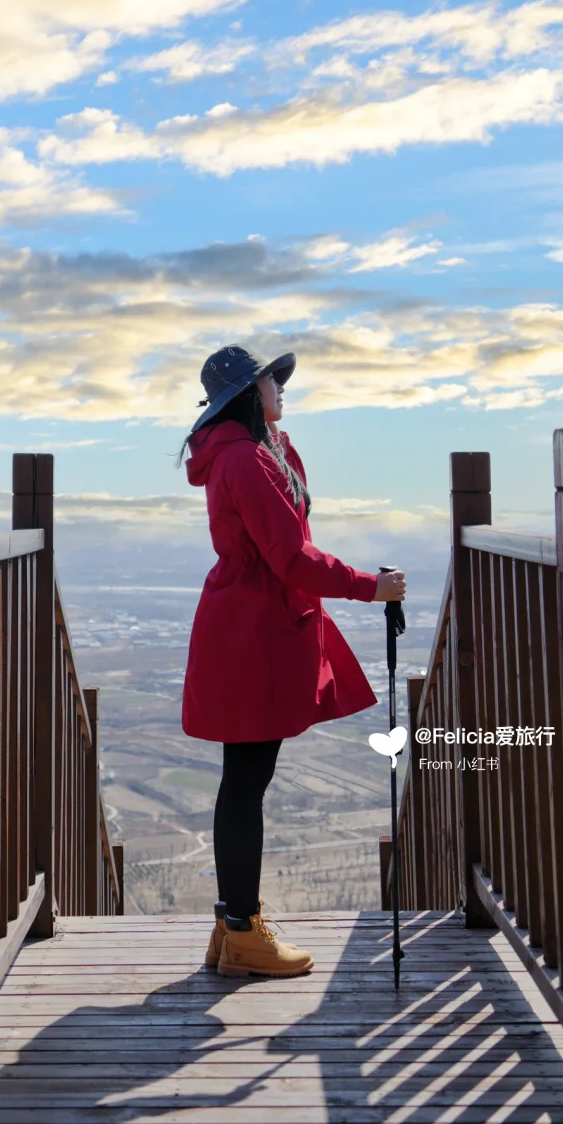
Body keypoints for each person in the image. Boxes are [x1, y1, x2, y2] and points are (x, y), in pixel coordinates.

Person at [179, 344, 407, 979]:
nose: (282, 388)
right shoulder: (246, 462)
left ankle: (234, 928)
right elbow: (292, 558)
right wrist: (372, 587)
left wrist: (277, 440)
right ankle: (243, 933)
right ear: (248, 395)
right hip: (255, 633)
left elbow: (289, 539)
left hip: (250, 627)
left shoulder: (249, 454)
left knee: (243, 781)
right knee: (247, 783)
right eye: (271, 382)